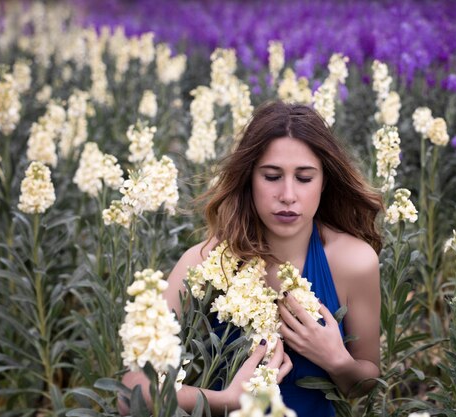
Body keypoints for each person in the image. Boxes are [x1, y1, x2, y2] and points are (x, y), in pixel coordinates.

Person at [122, 101, 382, 416]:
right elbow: (130, 392)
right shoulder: (205, 264)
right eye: (271, 176)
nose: (288, 194)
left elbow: (365, 381)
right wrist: (225, 401)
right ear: (249, 179)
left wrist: (336, 360)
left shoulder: (354, 262)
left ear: (324, 181)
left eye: (304, 177)